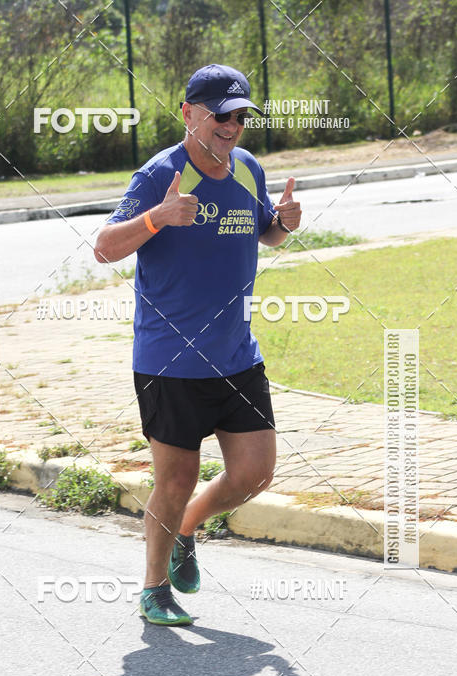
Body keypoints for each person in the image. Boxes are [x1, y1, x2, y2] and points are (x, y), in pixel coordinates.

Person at [94, 64, 301, 627]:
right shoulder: (159, 173)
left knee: (255, 473)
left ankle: (187, 528)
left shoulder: (248, 168)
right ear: (188, 113)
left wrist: (283, 223)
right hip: (171, 359)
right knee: (176, 479)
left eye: (240, 116)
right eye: (220, 115)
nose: (232, 126)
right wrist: (157, 218)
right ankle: (154, 588)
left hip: (236, 354)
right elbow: (104, 248)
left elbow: (264, 231)